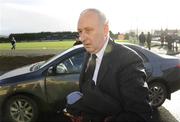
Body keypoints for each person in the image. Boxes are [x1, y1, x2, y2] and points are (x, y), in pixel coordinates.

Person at [66, 8, 152, 122]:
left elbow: (140, 116)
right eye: (80, 31)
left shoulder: (128, 60)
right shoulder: (90, 52)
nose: (82, 38)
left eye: (88, 30)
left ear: (105, 29)